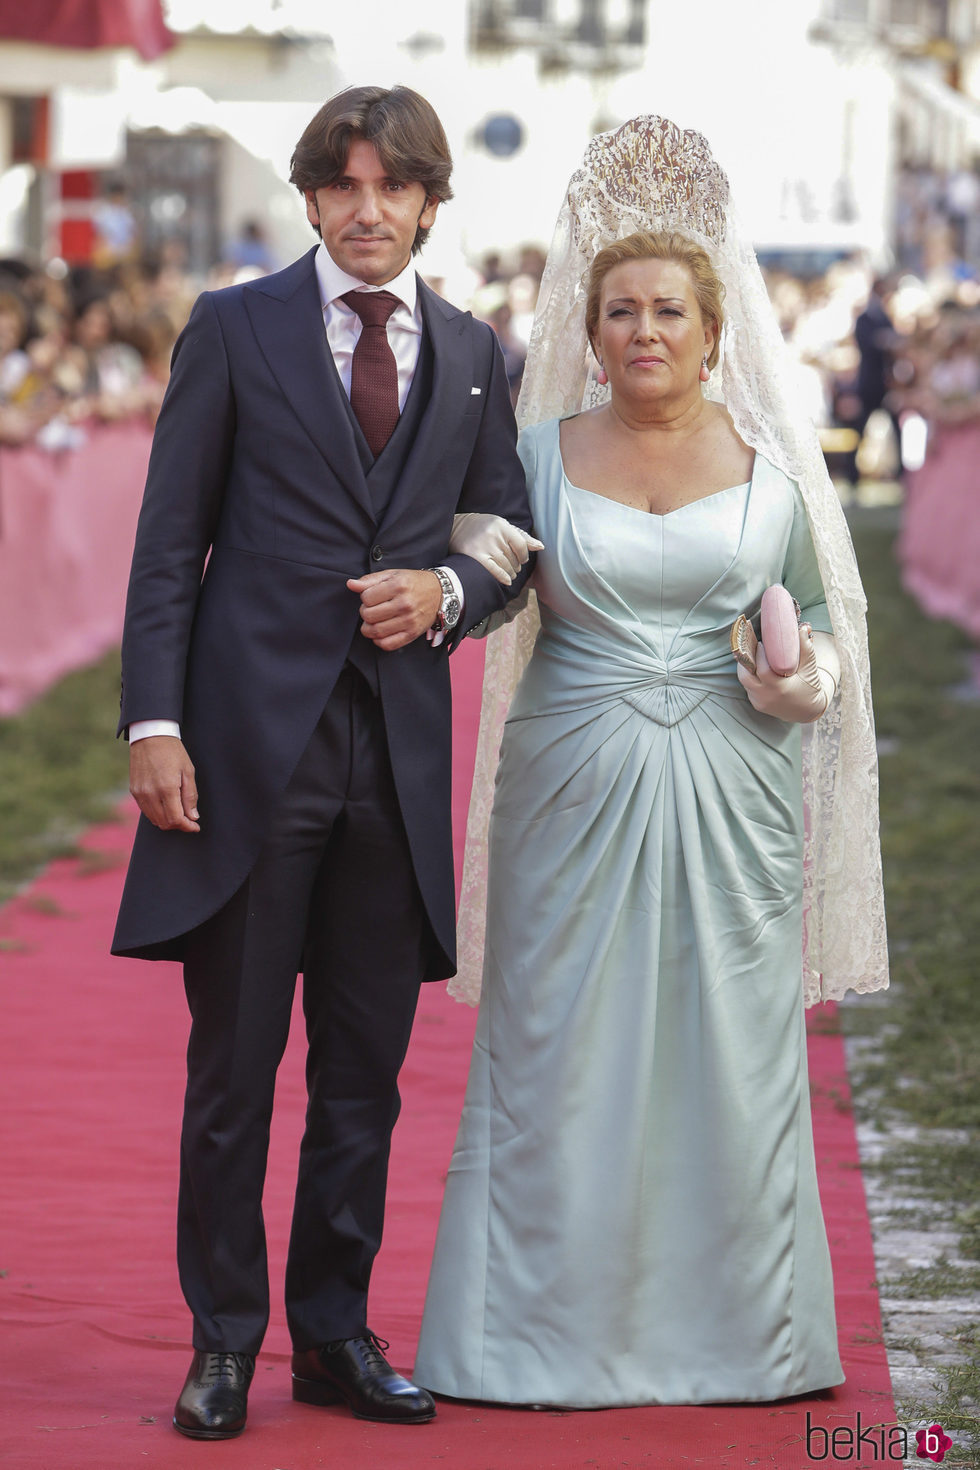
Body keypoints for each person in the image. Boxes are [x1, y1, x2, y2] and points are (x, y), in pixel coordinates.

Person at [415, 117, 889, 1407]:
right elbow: (490, 583)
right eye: (620, 309)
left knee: (731, 1056)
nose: (644, 331)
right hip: (569, 783)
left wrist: (807, 681)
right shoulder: (533, 456)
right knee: (558, 1048)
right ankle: (527, 1337)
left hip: (738, 795)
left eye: (670, 310)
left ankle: (745, 1338)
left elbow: (828, 635)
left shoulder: (774, 479)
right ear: (592, 323)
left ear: (714, 327)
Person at [110, 84, 535, 1440]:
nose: (367, 210)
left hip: (395, 756)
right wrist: (153, 722)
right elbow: (170, 541)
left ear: (427, 202)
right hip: (241, 752)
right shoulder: (233, 329)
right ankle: (222, 1340)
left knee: (363, 1071)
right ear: (307, 197)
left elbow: (509, 534)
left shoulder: (474, 353)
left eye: (393, 187)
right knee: (233, 1069)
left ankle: (336, 1333)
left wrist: (450, 594)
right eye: (342, 185)